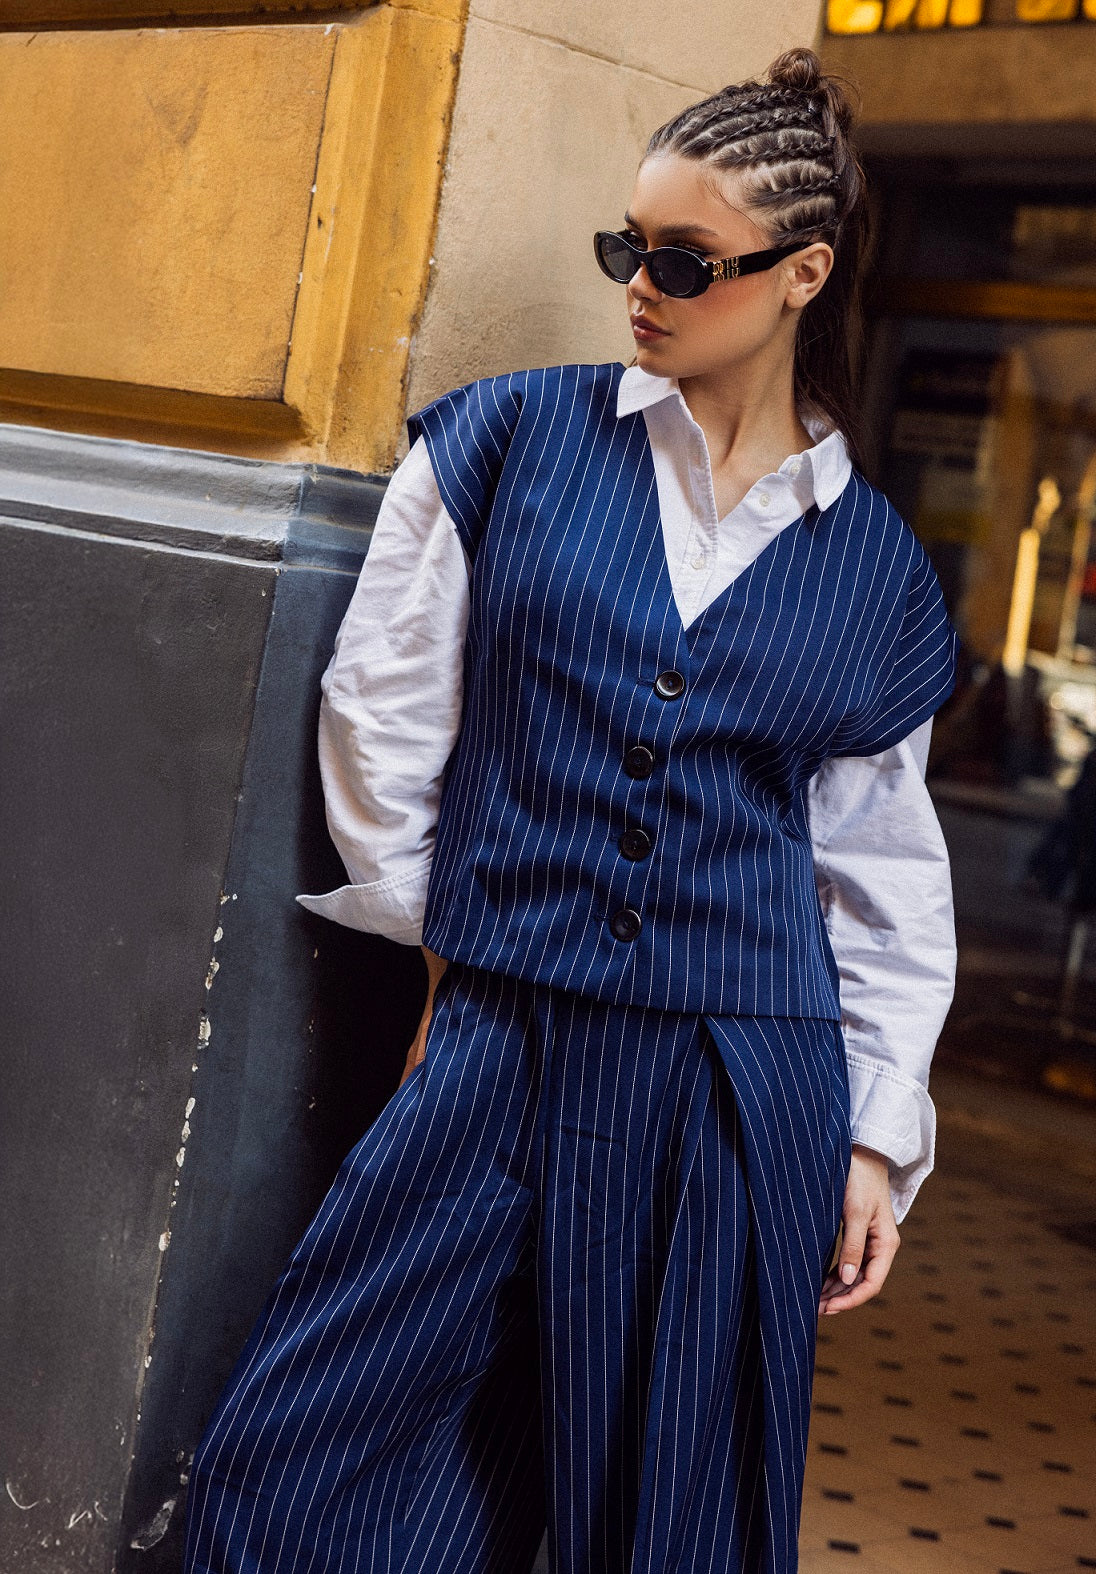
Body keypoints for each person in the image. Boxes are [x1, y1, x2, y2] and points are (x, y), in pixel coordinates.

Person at [182, 45, 959, 1574]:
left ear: (802, 274)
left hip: (742, 1078)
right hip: (498, 1038)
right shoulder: (505, 443)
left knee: (673, 1514)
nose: (641, 288)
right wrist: (452, 953)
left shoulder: (875, 568)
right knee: (307, 1465)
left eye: (683, 261)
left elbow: (881, 874)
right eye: (628, 250)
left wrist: (872, 1136)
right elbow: (381, 724)